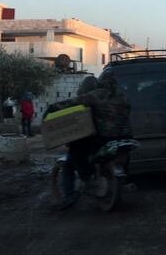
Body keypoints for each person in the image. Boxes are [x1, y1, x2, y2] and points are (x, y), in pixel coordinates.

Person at [47, 73, 132, 210]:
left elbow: (73, 102)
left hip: (105, 137)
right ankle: (122, 179)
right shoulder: (123, 96)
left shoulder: (97, 95)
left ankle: (86, 178)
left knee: (76, 148)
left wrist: (52, 108)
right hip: (126, 136)